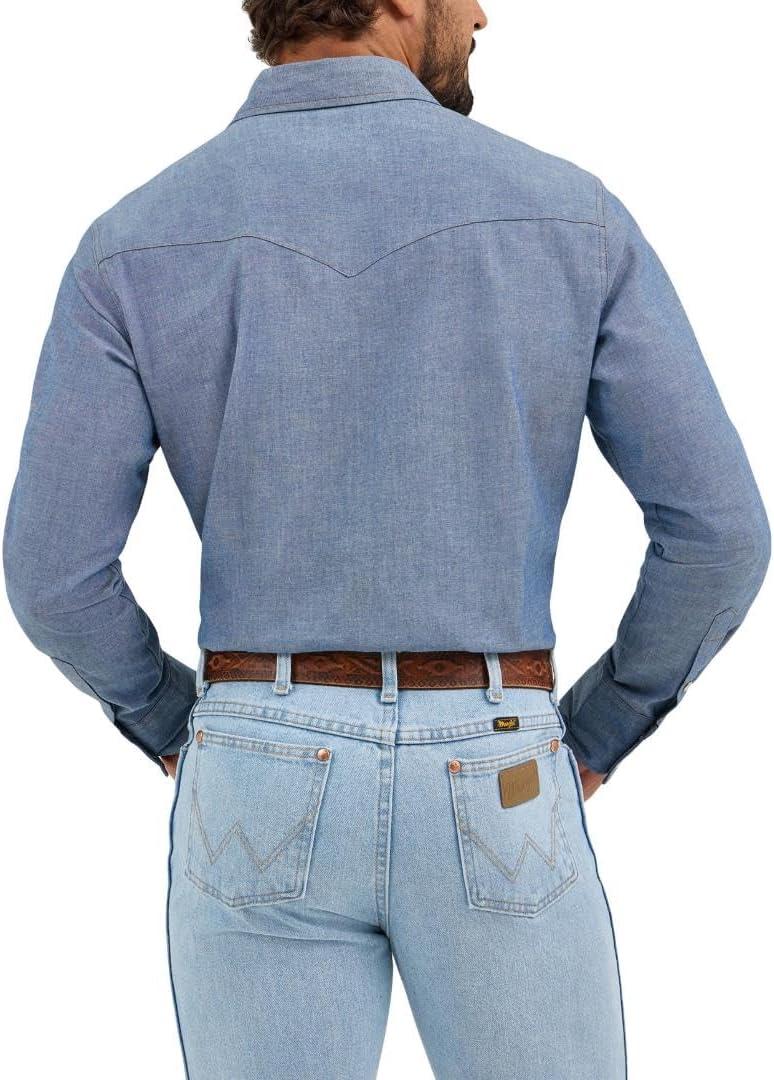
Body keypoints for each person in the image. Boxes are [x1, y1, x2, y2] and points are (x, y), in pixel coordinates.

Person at [3, 2, 769, 1077]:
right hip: (497, 766)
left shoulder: (132, 242)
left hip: (255, 767)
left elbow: (52, 572)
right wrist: (599, 730)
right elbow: (719, 535)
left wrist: (179, 720)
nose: (483, 12)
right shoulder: (573, 219)